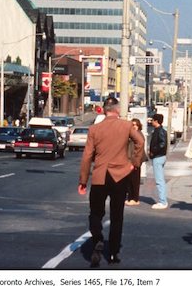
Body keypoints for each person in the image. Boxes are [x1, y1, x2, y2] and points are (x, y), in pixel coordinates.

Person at [78, 97, 144, 266]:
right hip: (120, 175)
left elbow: (87, 156)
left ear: (104, 110)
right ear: (117, 109)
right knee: (117, 216)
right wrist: (134, 164)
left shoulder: (94, 129)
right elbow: (140, 141)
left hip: (100, 175)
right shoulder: (126, 125)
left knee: (95, 213)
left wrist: (83, 180)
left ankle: (98, 238)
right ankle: (113, 253)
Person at [125, 118, 147, 206]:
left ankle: (134, 198)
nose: (134, 127)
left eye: (135, 125)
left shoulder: (139, 135)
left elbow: (137, 150)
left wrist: (135, 162)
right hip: (130, 160)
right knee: (130, 180)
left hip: (135, 160)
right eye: (132, 125)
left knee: (134, 180)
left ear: (139, 126)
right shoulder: (132, 135)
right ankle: (131, 197)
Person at [149, 113, 168, 209]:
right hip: (161, 156)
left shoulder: (159, 131)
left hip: (158, 157)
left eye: (152, 120)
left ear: (156, 121)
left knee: (159, 180)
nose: (151, 122)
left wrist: (153, 151)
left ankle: (162, 201)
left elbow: (162, 144)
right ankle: (163, 199)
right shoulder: (160, 130)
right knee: (161, 179)